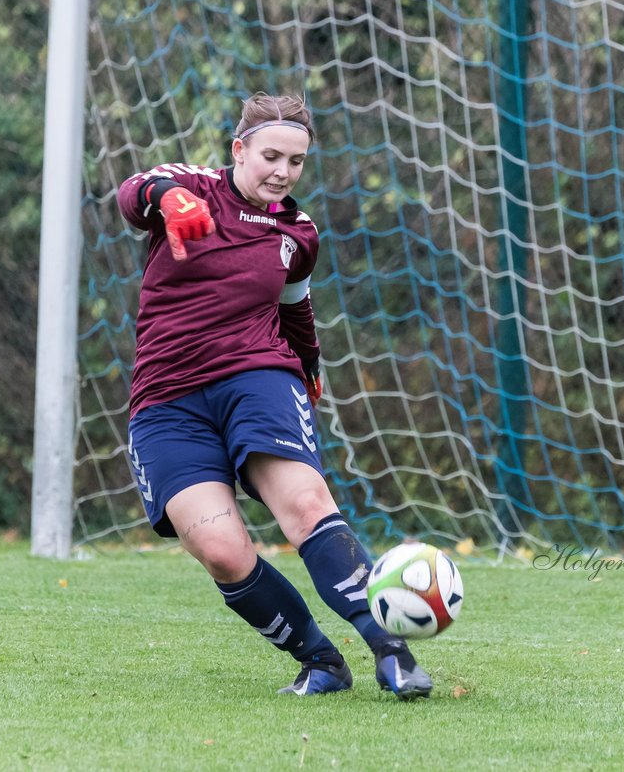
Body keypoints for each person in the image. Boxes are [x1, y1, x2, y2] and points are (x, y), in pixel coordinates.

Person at [117, 92, 432, 698]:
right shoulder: (191, 187)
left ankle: (392, 651)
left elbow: (297, 308)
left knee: (305, 504)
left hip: (256, 375)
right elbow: (135, 191)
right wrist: (169, 198)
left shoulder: (297, 231)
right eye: (270, 156)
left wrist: (310, 364)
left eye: (295, 161)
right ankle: (322, 661)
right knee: (221, 552)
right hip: (166, 397)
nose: (282, 172)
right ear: (239, 149)